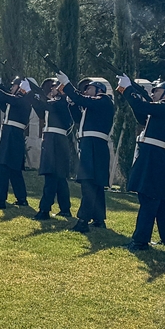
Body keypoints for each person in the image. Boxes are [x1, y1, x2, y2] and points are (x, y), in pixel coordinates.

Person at [119, 77, 165, 250]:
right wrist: (131, 95)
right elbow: (141, 114)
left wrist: (128, 90)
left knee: (148, 197)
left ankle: (140, 240)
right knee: (162, 199)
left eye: (157, 91)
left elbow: (143, 107)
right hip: (154, 155)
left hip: (154, 156)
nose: (153, 93)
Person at [58, 73, 113, 232]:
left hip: (95, 145)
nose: (86, 91)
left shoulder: (104, 100)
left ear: (99, 90)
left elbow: (82, 100)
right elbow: (78, 118)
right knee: (95, 184)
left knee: (89, 183)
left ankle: (83, 220)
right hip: (91, 145)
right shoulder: (94, 106)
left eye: (90, 88)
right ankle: (98, 219)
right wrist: (72, 103)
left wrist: (67, 84)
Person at [0, 76, 34, 209]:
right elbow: (3, 99)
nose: (11, 88)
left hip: (12, 135)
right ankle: (22, 198)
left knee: (3, 166)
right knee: (14, 169)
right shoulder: (18, 100)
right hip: (11, 134)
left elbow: (6, 97)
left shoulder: (22, 99)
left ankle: (0, 200)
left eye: (14, 85)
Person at [29, 78, 74, 219]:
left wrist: (32, 93)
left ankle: (44, 210)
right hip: (52, 140)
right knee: (59, 178)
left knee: (51, 176)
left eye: (54, 87)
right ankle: (65, 208)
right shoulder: (54, 103)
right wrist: (32, 96)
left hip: (56, 141)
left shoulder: (62, 102)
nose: (51, 90)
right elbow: (41, 111)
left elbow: (48, 106)